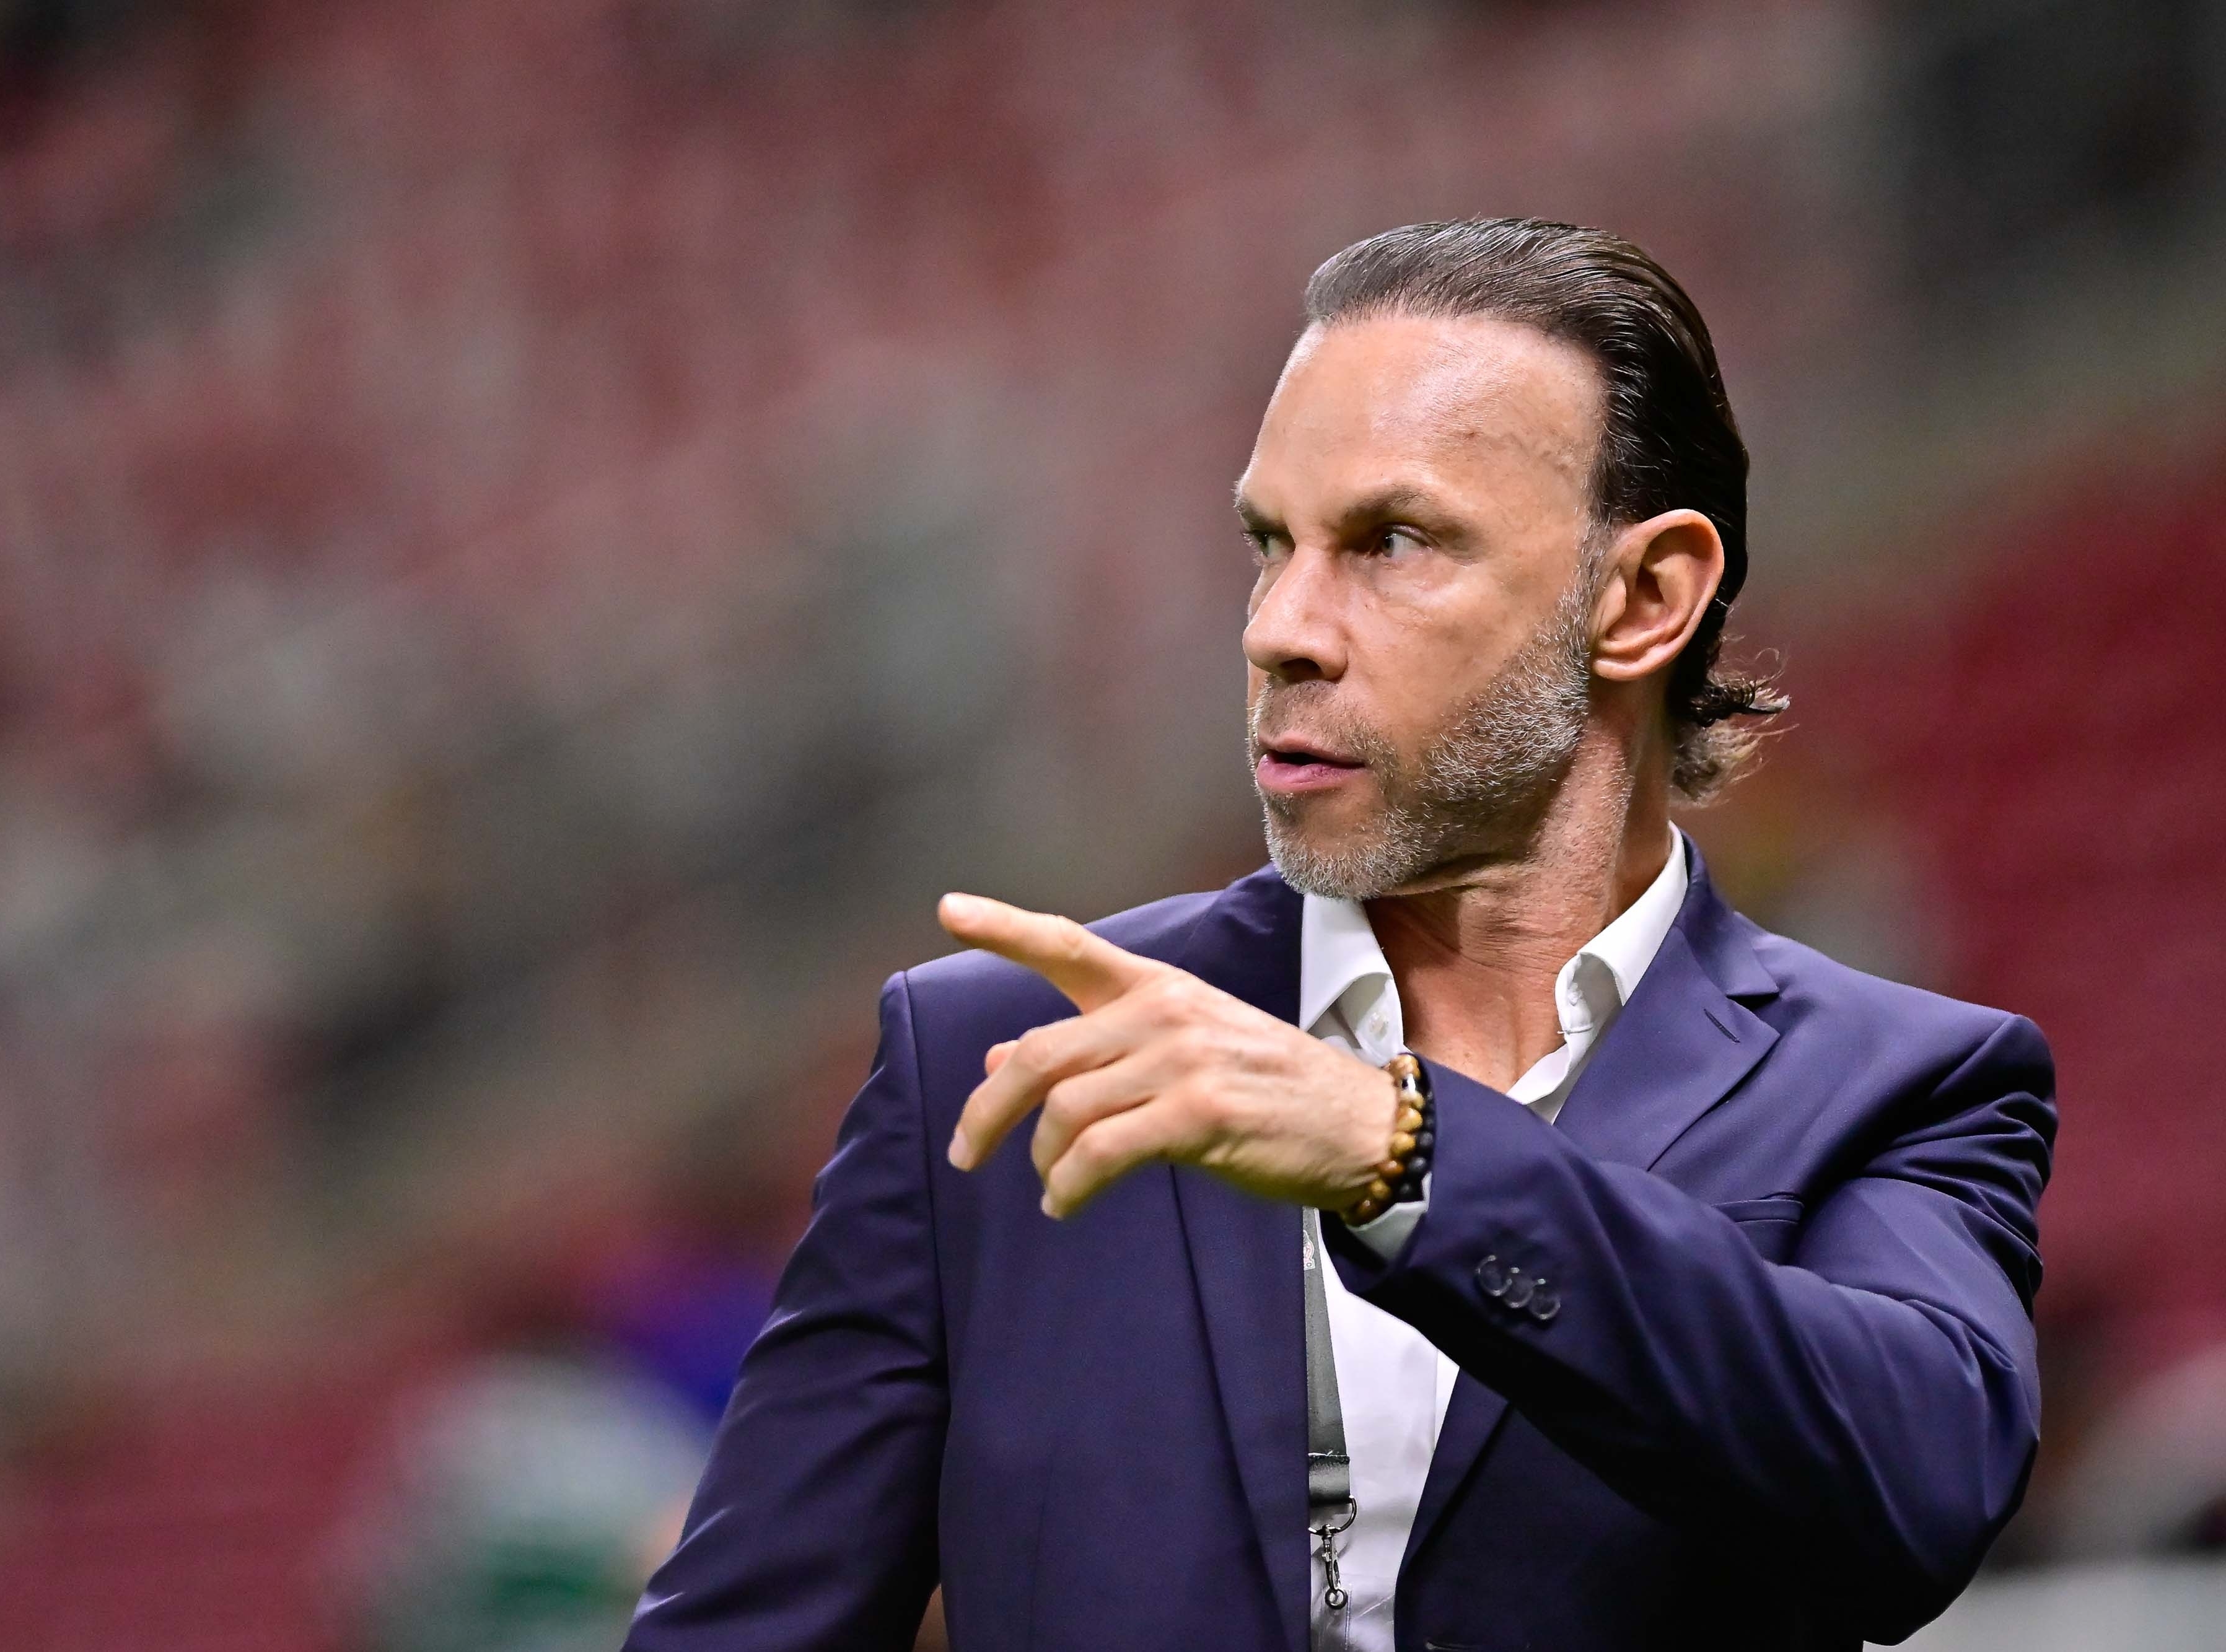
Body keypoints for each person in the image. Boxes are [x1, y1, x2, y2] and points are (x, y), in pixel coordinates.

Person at [623, 219, 2056, 1651]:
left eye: (1389, 541)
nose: (1279, 628)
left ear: (1642, 599)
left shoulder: (1895, 1082)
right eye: (1269, 543)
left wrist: (1402, 1155)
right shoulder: (994, 1054)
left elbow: (1914, 1487)